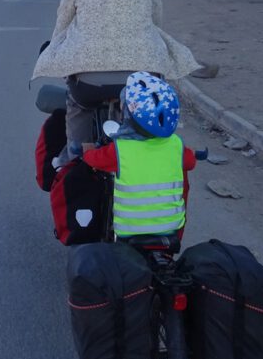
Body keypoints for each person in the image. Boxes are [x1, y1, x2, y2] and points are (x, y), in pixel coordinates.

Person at [32, 0, 201, 167]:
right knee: (145, 117)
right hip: (142, 78)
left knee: (78, 105)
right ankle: (150, 160)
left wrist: (55, 48)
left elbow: (63, 23)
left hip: (90, 84)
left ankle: (72, 159)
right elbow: (156, 20)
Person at [81, 72, 197, 242]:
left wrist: (86, 151)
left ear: (129, 115)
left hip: (129, 231)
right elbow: (191, 161)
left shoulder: (120, 149)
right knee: (183, 176)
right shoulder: (176, 146)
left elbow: (93, 160)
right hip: (171, 229)